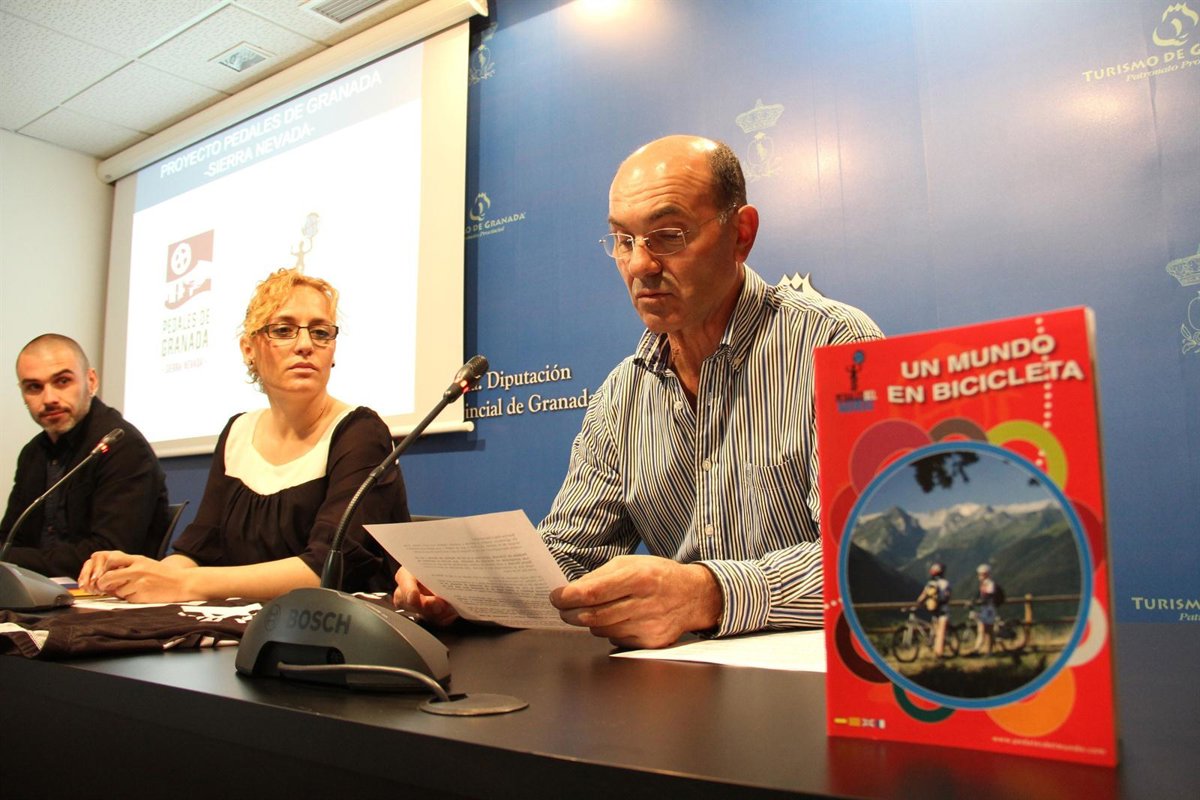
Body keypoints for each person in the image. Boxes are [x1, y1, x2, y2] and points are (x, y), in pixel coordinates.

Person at [394, 134, 882, 648]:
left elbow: (872, 556)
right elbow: (570, 554)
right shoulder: (622, 395)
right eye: (623, 240)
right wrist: (462, 587)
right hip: (689, 678)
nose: (639, 264)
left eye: (667, 235)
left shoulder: (836, 346)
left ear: (741, 234)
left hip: (823, 675)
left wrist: (708, 593)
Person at [78, 268, 409, 602]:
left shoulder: (361, 432)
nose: (305, 345)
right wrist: (142, 573)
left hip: (337, 628)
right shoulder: (237, 431)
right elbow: (199, 548)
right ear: (248, 349)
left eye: (321, 332)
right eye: (283, 330)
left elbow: (326, 568)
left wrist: (183, 584)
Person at [1, 334, 169, 577]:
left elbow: (106, 555)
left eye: (62, 381)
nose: (49, 399)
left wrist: (10, 559)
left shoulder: (122, 446)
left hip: (110, 595)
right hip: (40, 590)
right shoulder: (33, 453)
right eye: (34, 387)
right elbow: (11, 538)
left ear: (91, 381)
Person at [916, 562, 951, 657]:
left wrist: (917, 604)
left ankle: (936, 652)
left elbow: (922, 596)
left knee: (936, 632)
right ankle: (939, 654)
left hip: (934, 610)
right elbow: (948, 596)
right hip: (944, 609)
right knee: (941, 632)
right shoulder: (946, 583)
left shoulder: (930, 583)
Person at [970, 563, 999, 655]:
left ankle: (987, 651)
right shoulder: (984, 584)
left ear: (986, 574)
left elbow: (988, 596)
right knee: (982, 630)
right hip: (984, 610)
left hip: (989, 610)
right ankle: (978, 649)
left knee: (988, 630)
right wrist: (974, 601)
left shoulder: (990, 584)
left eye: (981, 574)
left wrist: (979, 602)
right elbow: (979, 595)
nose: (979, 576)